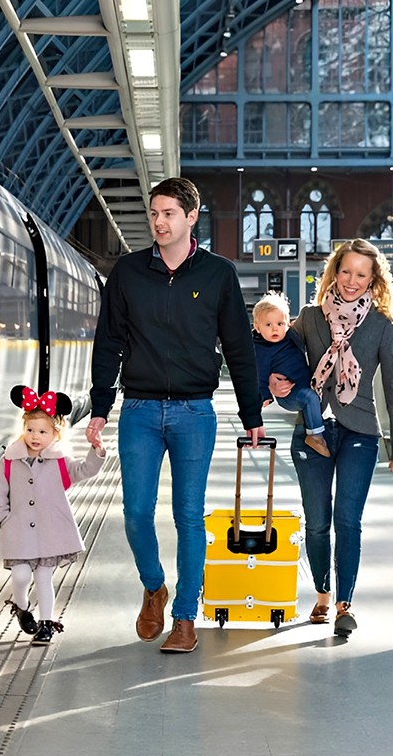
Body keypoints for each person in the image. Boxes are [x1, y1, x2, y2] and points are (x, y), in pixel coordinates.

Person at [87, 177, 265, 655]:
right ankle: (154, 587)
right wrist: (100, 407)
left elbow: (238, 348)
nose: (159, 222)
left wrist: (251, 412)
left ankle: (185, 617)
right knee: (135, 513)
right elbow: (109, 341)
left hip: (194, 412)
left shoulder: (218, 274)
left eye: (168, 213)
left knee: (188, 514)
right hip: (139, 410)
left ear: (191, 218)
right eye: (154, 213)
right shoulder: (128, 273)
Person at [267, 239, 393, 639]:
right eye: (345, 271)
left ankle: (345, 604)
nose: (351, 280)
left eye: (361, 274)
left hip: (360, 431)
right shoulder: (309, 318)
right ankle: (322, 594)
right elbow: (282, 363)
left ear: (373, 280)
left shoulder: (382, 326)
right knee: (317, 522)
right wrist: (275, 387)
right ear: (334, 272)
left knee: (348, 520)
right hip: (311, 432)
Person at [0, 385, 106, 646]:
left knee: (44, 577)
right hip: (18, 531)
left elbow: (85, 470)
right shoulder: (9, 460)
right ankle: (22, 607)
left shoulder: (60, 461)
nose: (35, 436)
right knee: (20, 576)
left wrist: (96, 450)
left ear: (55, 433)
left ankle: (46, 624)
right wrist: (3, 519)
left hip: (50, 531)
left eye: (43, 432)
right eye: (30, 430)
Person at [252, 293, 330, 457]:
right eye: (268, 325)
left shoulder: (290, 337)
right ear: (257, 327)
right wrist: (264, 395)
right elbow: (260, 374)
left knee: (311, 396)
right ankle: (315, 435)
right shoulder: (261, 349)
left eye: (280, 323)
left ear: (287, 323)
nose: (275, 328)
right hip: (289, 394)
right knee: (309, 397)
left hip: (304, 383)